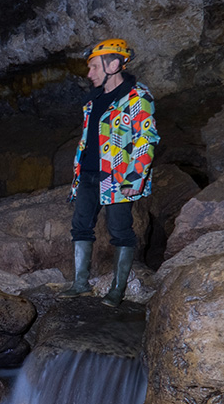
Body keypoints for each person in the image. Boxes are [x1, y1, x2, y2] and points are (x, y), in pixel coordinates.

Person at [64, 38, 159, 307]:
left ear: (113, 64)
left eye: (94, 67)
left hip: (118, 177)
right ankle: (80, 284)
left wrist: (135, 177)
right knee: (81, 226)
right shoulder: (92, 100)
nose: (89, 73)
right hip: (88, 174)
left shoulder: (137, 97)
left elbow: (146, 138)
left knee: (121, 231)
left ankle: (117, 290)